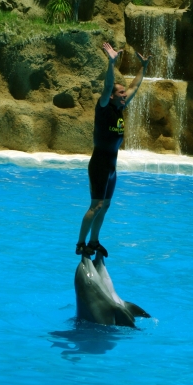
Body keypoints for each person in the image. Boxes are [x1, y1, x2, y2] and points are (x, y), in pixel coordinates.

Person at [76, 42, 149, 258]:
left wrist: (143, 67)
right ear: (112, 96)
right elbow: (108, 86)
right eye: (121, 93)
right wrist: (111, 63)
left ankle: (94, 241)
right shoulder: (104, 108)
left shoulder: (120, 108)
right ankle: (80, 244)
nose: (125, 95)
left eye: (124, 93)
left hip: (111, 166)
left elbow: (134, 86)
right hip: (99, 164)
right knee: (96, 205)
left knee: (105, 205)